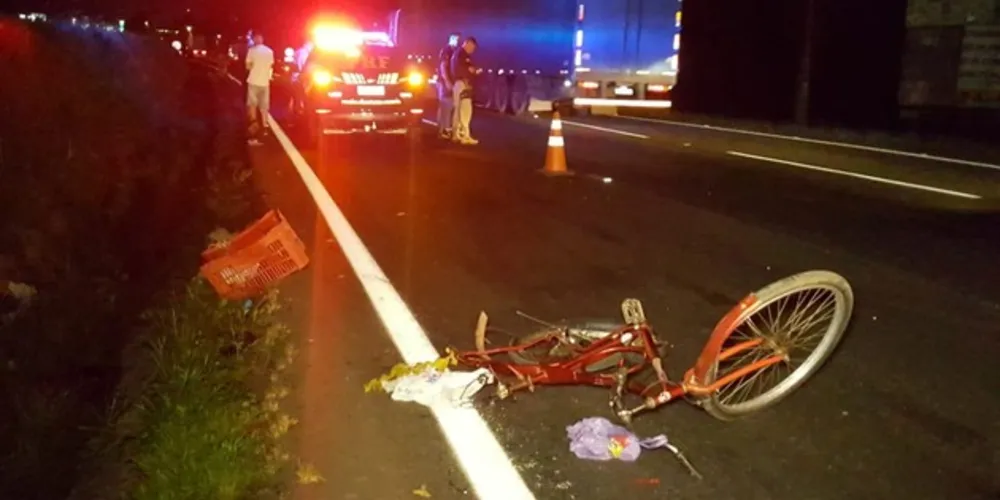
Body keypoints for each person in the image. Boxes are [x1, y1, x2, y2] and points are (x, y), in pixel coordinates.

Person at [449, 36, 480, 145]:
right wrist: (475, 71)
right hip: (462, 84)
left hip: (458, 83)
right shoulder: (463, 55)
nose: (473, 50)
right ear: (467, 44)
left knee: (457, 110)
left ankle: (456, 134)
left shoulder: (457, 54)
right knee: (465, 110)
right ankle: (464, 135)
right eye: (472, 47)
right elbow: (467, 69)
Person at [245, 32, 274, 145]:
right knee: (264, 106)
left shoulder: (252, 51)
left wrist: (254, 66)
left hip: (253, 81)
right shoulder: (269, 51)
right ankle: (265, 125)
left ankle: (253, 124)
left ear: (255, 40)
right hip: (265, 82)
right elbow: (271, 66)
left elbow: (248, 66)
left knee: (252, 104)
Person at [435, 33, 460, 140]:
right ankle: (444, 129)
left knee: (446, 106)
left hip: (449, 81)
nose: (456, 41)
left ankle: (442, 128)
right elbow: (443, 67)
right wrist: (447, 81)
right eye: (454, 39)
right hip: (444, 82)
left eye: (458, 39)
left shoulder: (455, 51)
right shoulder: (447, 51)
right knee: (446, 105)